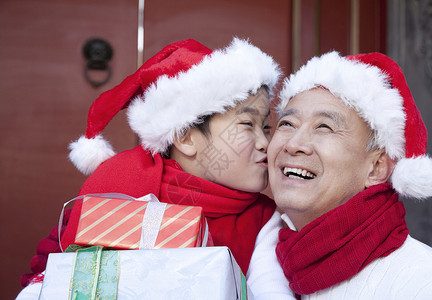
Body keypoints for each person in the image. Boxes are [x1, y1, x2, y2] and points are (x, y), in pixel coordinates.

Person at [18, 38, 294, 299]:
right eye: (247, 125)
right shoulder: (118, 189)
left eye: (266, 128)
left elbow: (270, 291)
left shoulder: (262, 219)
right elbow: (53, 279)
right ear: (185, 136)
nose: (265, 143)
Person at [268, 51, 432, 299]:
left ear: (376, 168)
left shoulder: (428, 286)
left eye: (324, 127)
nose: (294, 144)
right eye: (287, 124)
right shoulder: (266, 262)